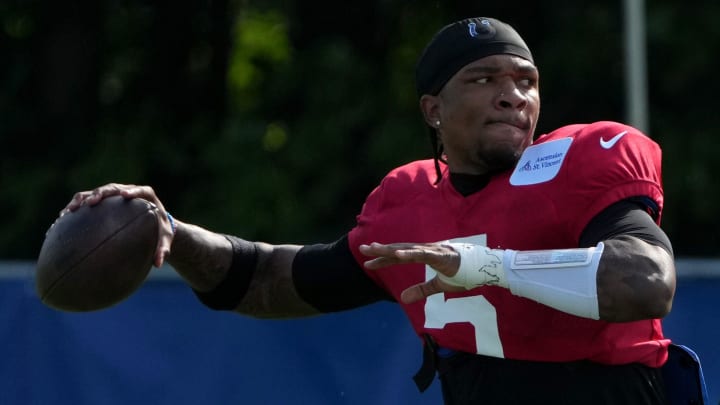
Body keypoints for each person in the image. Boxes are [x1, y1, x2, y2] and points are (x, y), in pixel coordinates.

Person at [63, 17, 676, 404]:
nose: (513, 94)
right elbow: (274, 280)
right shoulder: (406, 205)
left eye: (525, 80)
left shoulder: (583, 160)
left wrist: (488, 267)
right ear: (433, 111)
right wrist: (172, 232)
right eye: (485, 79)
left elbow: (646, 283)